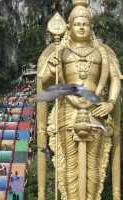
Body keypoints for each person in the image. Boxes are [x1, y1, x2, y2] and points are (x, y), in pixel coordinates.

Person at [38, 0, 121, 199]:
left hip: (96, 111)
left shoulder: (103, 52)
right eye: (77, 23)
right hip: (67, 110)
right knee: (69, 165)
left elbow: (116, 78)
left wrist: (109, 102)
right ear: (69, 26)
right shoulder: (59, 51)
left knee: (94, 165)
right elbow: (44, 84)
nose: (81, 27)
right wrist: (51, 68)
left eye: (85, 23)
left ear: (91, 26)